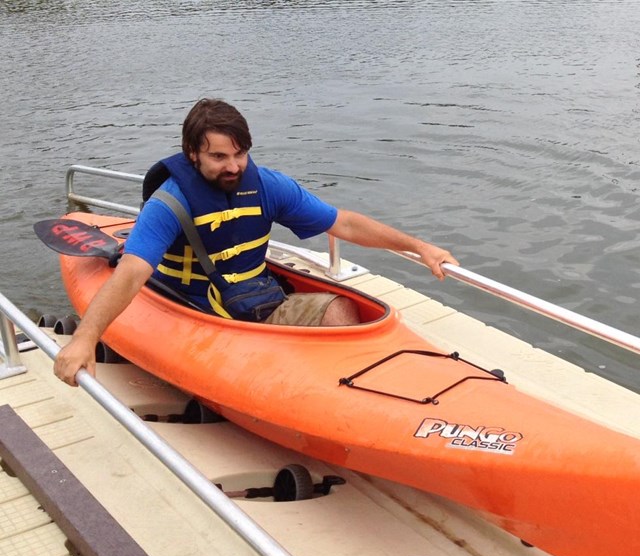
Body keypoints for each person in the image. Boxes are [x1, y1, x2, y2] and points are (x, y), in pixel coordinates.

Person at [54, 98, 458, 386]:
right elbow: (131, 274)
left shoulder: (267, 186)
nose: (233, 166)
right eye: (218, 157)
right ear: (193, 153)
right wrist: (85, 338)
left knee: (340, 308)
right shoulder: (169, 203)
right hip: (195, 310)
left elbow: (345, 224)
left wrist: (418, 247)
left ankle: (362, 383)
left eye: (240, 154)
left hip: (256, 297)